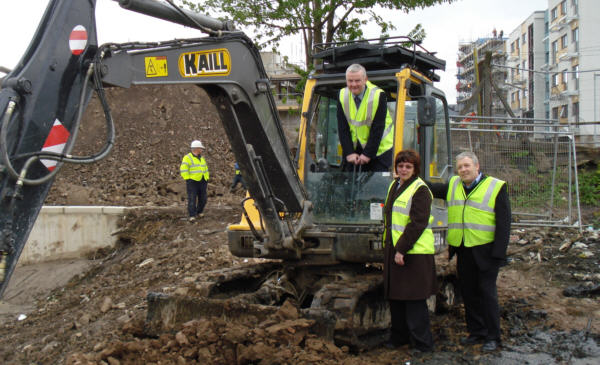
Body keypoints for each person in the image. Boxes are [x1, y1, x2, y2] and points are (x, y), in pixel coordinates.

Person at [427, 151, 511, 352]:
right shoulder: (455, 184)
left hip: (487, 251)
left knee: (487, 294)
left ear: (477, 166)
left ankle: (493, 337)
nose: (463, 170)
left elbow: (504, 223)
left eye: (467, 166)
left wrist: (499, 254)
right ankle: (477, 332)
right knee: (469, 293)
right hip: (463, 249)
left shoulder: (495, 187)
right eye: (460, 167)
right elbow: (433, 189)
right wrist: (412, 178)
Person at [382, 149, 436, 352]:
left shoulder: (420, 190)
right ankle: (399, 337)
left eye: (408, 166)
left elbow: (418, 223)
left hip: (413, 254)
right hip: (395, 250)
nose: (403, 169)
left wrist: (402, 249)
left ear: (415, 169)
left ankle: (423, 343)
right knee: (396, 298)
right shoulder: (394, 186)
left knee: (414, 300)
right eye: (400, 165)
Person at [337, 63, 394, 172]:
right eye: (350, 81)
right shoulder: (342, 95)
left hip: (380, 149)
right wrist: (349, 152)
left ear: (365, 79)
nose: (353, 85)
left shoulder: (378, 95)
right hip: (355, 148)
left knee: (376, 185)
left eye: (357, 80)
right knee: (346, 183)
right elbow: (342, 127)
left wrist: (368, 154)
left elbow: (378, 127)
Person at [180, 140, 210, 222]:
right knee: (192, 198)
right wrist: (188, 179)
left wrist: (207, 177)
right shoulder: (187, 158)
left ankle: (199, 211)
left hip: (203, 180)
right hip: (193, 182)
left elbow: (205, 168)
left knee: (203, 199)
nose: (202, 150)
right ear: (196, 149)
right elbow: (183, 169)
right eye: (201, 148)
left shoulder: (202, 158)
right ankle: (192, 215)